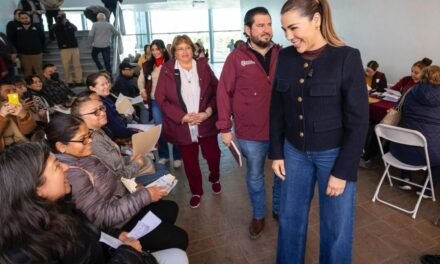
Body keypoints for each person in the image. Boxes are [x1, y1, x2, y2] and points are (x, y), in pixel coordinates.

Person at [269, 1, 369, 263]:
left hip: (334, 158)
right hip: (294, 153)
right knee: (290, 219)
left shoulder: (346, 57)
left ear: (315, 20)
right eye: (284, 29)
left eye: (293, 28)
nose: (289, 36)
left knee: (336, 228)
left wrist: (344, 170)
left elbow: (359, 121)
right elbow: (277, 108)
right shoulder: (286, 57)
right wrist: (277, 153)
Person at [0, 142, 189, 264]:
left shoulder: (60, 205)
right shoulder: (29, 253)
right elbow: (102, 215)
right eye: (56, 167)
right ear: (36, 188)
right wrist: (128, 254)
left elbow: (92, 229)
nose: (66, 168)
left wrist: (117, 235)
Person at [45, 113, 189, 252]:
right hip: (117, 224)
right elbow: (102, 217)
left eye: (89, 135)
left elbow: (115, 178)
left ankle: (152, 241)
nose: (90, 141)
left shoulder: (83, 156)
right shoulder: (73, 174)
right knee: (180, 238)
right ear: (61, 146)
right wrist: (144, 195)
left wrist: (134, 188)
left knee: (170, 208)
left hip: (123, 205)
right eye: (83, 139)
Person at [216, 6, 282, 239]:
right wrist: (224, 128)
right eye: (260, 25)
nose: (266, 30)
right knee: (255, 175)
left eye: (269, 24)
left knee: (282, 173)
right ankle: (258, 215)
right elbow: (223, 93)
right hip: (250, 133)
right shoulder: (236, 58)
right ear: (248, 29)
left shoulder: (282, 54)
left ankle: (278, 209)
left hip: (280, 130)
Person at [155, 35, 221, 208]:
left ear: (193, 49)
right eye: (180, 48)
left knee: (213, 156)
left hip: (205, 122)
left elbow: (217, 90)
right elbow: (160, 98)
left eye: (187, 47)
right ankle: (196, 191)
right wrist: (181, 117)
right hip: (183, 126)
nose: (184, 52)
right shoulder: (167, 69)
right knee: (190, 162)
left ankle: (215, 177)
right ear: (174, 52)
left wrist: (207, 112)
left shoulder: (203, 66)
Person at [389, 65, 440, 197]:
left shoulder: (410, 91)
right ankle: (427, 188)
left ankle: (405, 178)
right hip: (430, 155)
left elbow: (396, 110)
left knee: (409, 134)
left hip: (399, 151)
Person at [138, 39, 182, 168]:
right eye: (153, 50)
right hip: (155, 101)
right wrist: (142, 90)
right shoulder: (147, 65)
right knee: (160, 129)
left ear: (163, 49)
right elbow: (141, 81)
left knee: (174, 128)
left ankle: (177, 156)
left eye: (157, 49)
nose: (155, 52)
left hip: (172, 101)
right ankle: (164, 156)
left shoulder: (172, 63)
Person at [86, 72, 137, 140]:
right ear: (92, 88)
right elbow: (117, 129)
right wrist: (135, 132)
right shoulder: (100, 105)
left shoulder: (106, 98)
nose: (107, 86)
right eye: (102, 85)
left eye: (107, 83)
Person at [51, 11, 84, 87]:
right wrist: (59, 22)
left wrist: (67, 22)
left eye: (62, 15)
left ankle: (79, 80)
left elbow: (75, 29)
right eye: (59, 15)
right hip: (64, 48)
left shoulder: (69, 24)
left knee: (77, 65)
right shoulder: (56, 25)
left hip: (74, 47)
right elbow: (52, 30)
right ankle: (70, 81)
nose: (61, 17)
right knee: (66, 66)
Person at [0, 81, 36, 150]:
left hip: (22, 144)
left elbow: (29, 131)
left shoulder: (20, 104)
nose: (12, 93)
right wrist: (2, 116)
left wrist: (23, 114)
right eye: (7, 91)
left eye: (14, 90)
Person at [12, 11, 44, 77]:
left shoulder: (37, 26)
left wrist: (42, 49)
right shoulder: (17, 28)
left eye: (26, 18)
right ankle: (29, 86)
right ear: (20, 19)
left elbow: (42, 38)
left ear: (30, 18)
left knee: (39, 71)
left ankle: (43, 86)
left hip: (36, 53)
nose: (24, 19)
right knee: (27, 72)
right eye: (22, 18)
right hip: (23, 54)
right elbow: (14, 40)